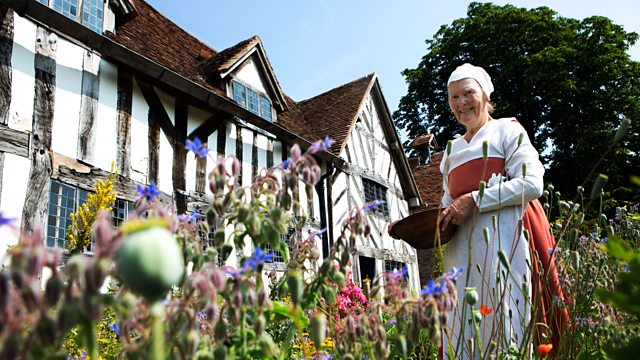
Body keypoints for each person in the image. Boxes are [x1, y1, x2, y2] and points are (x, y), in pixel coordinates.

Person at [438, 63, 567, 358]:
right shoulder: (451, 150)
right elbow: (447, 200)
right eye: (454, 97)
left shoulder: (507, 130)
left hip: (507, 245)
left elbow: (532, 184)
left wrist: (474, 199)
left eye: (468, 93)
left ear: (485, 95)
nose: (461, 103)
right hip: (464, 253)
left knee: (510, 318)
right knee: (468, 323)